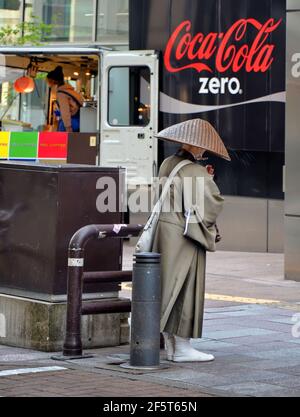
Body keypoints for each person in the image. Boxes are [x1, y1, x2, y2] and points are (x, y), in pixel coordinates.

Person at [152, 118, 231, 362]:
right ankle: (183, 348)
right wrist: (209, 179)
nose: (204, 152)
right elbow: (210, 204)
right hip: (184, 237)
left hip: (163, 233)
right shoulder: (195, 170)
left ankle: (171, 346)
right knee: (186, 287)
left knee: (165, 287)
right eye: (202, 148)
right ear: (195, 147)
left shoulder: (167, 163)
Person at [46, 66, 84, 132]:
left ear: (53, 81)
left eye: (48, 81)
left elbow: (65, 111)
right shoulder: (69, 90)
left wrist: (68, 128)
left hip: (71, 123)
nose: (48, 83)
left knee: (62, 141)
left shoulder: (61, 94)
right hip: (79, 121)